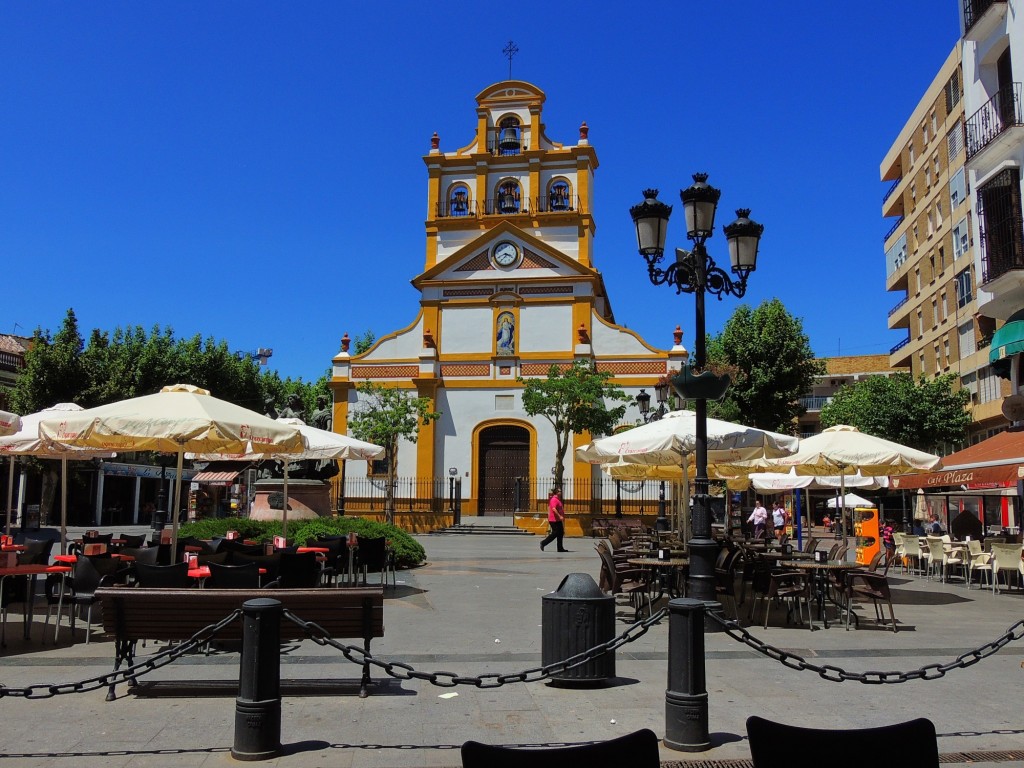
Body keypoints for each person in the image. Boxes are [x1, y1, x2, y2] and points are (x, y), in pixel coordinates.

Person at [540, 487, 567, 552]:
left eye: (560, 491)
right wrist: (560, 516)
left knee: (561, 533)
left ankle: (560, 548)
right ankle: (543, 543)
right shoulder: (554, 499)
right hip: (553, 520)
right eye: (559, 491)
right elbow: (554, 509)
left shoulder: (558, 500)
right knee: (555, 533)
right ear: (556, 492)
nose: (561, 492)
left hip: (558, 520)